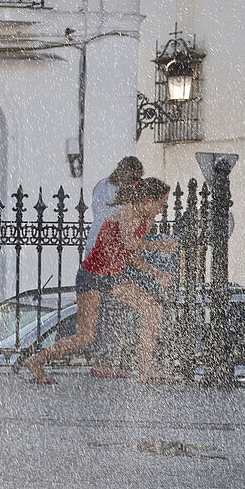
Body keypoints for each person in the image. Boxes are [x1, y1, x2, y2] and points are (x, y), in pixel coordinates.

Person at [23, 178, 178, 385]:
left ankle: (145, 371)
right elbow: (130, 243)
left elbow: (131, 255)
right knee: (84, 337)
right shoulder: (125, 212)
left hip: (113, 277)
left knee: (152, 309)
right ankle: (36, 361)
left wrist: (155, 273)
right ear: (148, 200)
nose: (161, 209)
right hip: (92, 276)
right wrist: (159, 246)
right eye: (161, 204)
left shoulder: (146, 220)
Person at [84, 156, 144, 379]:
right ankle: (107, 363)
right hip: (112, 252)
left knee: (98, 311)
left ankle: (101, 361)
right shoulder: (130, 195)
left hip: (93, 247)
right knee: (115, 312)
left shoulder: (101, 185)